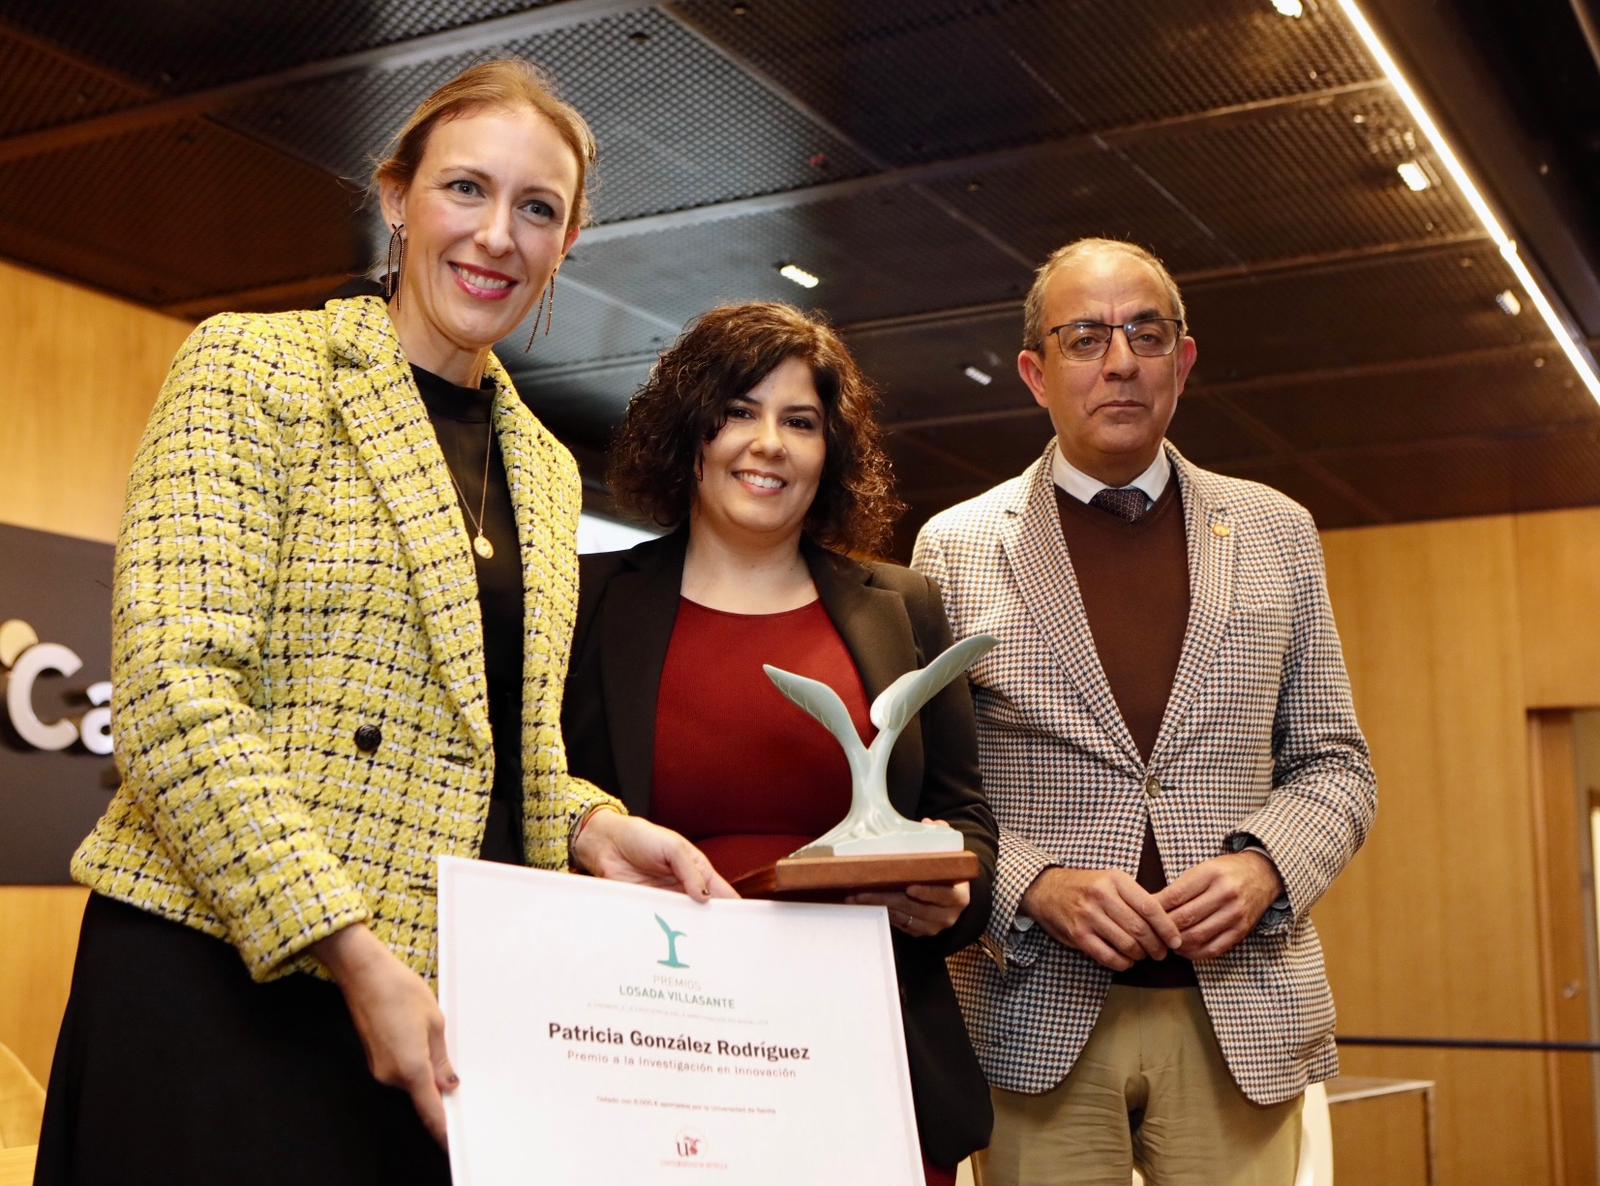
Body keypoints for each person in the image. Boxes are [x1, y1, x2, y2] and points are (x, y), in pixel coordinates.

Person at [35, 59, 731, 1186]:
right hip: (227, 977)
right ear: (397, 196)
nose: (496, 235)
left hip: (429, 997)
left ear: (568, 241)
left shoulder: (547, 470)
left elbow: (500, 732)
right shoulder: (258, 365)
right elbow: (175, 692)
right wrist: (350, 951)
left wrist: (593, 827)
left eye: (537, 208)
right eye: (466, 189)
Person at [912, 238, 1378, 1186]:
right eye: (1085, 337)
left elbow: (1338, 764)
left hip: (1238, 1014)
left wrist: (1264, 866)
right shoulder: (953, 548)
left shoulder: (1278, 529)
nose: (1119, 360)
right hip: (1031, 1012)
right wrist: (1033, 885)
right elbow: (924, 793)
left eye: (1145, 333)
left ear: (1184, 360)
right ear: (1037, 374)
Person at [561, 302, 998, 1184]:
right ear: (691, 434)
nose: (769, 443)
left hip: (872, 1056)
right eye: (738, 412)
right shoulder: (591, 603)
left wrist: (954, 897)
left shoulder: (901, 604)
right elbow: (546, 807)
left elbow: (964, 817)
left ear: (829, 453)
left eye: (800, 422)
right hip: (657, 1058)